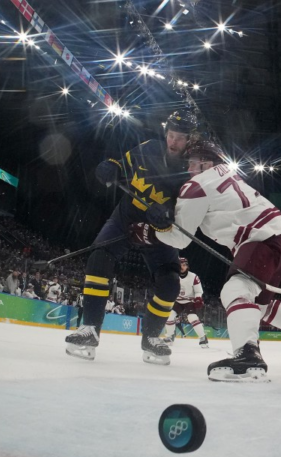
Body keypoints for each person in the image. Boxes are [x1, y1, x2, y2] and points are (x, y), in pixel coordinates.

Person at [128, 140, 281, 381]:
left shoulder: (195, 186)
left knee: (234, 290)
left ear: (206, 162)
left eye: (193, 163)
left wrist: (148, 232)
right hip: (278, 237)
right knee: (259, 305)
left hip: (258, 239)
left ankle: (248, 356)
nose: (188, 168)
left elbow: (181, 238)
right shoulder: (227, 173)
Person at [64, 110, 197, 364]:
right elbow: (122, 164)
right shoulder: (148, 148)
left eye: (180, 138)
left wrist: (169, 215)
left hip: (160, 234)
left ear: (189, 140)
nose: (173, 142)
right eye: (170, 135)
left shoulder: (191, 173)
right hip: (125, 220)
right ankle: (90, 328)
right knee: (99, 257)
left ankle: (152, 338)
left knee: (170, 282)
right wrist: (110, 167)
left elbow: (188, 216)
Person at [164, 257, 209, 348]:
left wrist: (198, 298)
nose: (182, 267)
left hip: (189, 301)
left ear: (187, 266)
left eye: (184, 265)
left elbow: (198, 291)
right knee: (169, 315)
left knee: (192, 317)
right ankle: (170, 336)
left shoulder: (193, 277)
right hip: (177, 301)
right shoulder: (173, 275)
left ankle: (203, 338)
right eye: (180, 265)